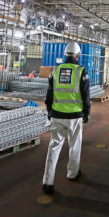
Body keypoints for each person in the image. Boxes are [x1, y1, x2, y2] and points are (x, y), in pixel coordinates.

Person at [42, 41, 90, 195]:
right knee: (75, 145)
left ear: (65, 55)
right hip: (74, 117)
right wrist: (86, 113)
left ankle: (47, 182)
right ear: (77, 55)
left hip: (56, 115)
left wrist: (49, 111)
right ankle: (72, 173)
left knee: (53, 147)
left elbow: (49, 95)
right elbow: (86, 96)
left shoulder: (55, 71)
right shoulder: (81, 71)